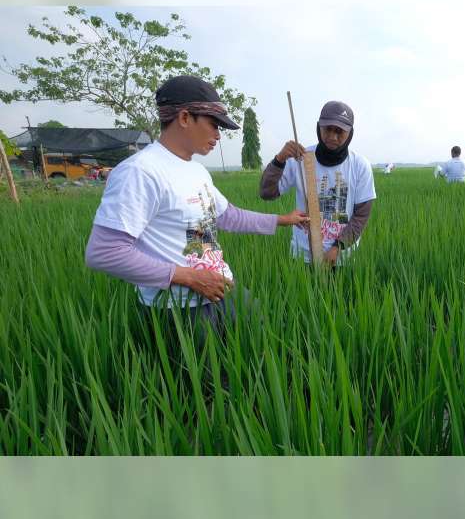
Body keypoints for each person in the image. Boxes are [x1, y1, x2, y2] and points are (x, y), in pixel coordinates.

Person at [85, 75, 308, 333]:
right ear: (184, 118)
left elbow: (228, 216)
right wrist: (190, 277)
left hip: (220, 288)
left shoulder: (196, 170)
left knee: (266, 340)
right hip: (180, 309)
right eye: (214, 124)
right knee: (209, 372)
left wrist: (284, 219)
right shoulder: (140, 172)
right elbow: (103, 252)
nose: (218, 135)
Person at [260, 100, 376, 267]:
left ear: (350, 133)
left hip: (342, 259)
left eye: (339, 131)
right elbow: (267, 193)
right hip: (302, 256)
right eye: (327, 129)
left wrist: (338, 247)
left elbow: (361, 215)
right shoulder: (301, 159)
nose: (332, 137)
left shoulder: (359, 165)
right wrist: (279, 160)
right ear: (318, 127)